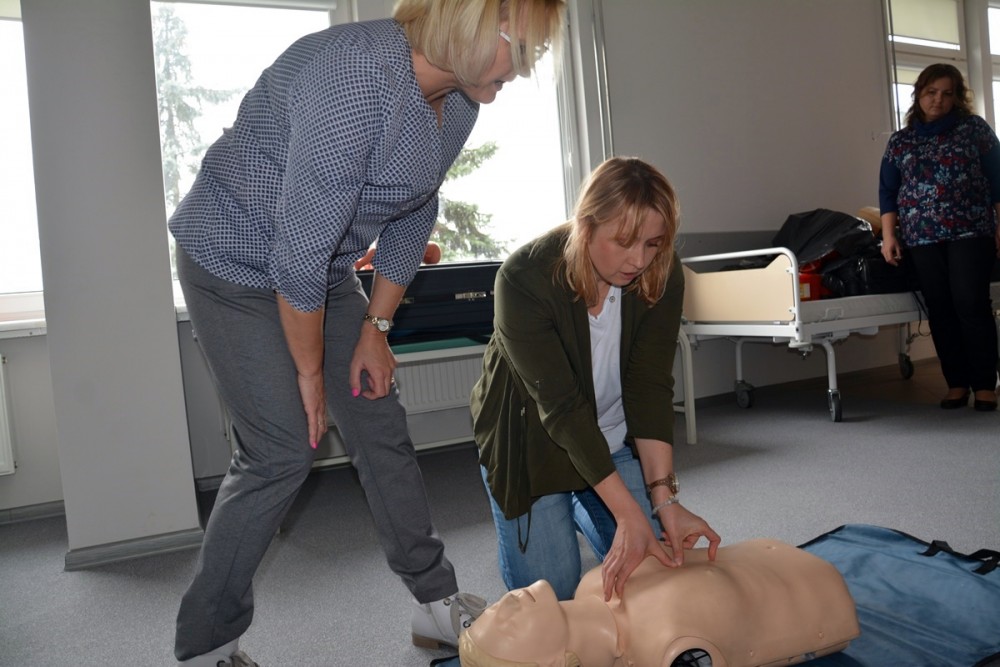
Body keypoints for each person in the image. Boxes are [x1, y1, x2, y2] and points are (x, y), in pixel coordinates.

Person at [168, 1, 566, 665]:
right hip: (233, 259)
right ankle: (207, 644)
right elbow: (295, 255)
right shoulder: (353, 76)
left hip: (318, 267)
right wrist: (308, 374)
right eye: (520, 48)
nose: (525, 69)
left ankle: (435, 605)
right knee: (281, 449)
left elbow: (415, 211)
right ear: (471, 23)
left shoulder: (458, 102)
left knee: (377, 418)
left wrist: (376, 327)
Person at [470, 157, 721, 604]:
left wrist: (664, 501)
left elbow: (649, 384)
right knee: (554, 597)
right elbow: (562, 410)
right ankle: (580, 501)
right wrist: (628, 513)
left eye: (652, 243)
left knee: (653, 573)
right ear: (586, 226)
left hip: (610, 435)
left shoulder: (661, 269)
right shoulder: (523, 278)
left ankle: (588, 501)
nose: (639, 260)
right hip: (534, 443)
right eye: (623, 242)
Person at [457, 539, 861, 667]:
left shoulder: (592, 585)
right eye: (506, 625)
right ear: (556, 663)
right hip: (813, 593)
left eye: (491, 609)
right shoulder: (662, 650)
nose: (505, 603)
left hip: (769, 559)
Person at [879, 63, 1000, 412]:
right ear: (919, 94)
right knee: (940, 308)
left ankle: (984, 384)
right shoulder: (901, 141)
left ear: (957, 97)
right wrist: (888, 236)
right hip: (921, 237)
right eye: (931, 92)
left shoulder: (974, 129)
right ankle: (956, 383)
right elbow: (888, 192)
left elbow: (998, 179)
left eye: (947, 93)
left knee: (970, 303)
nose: (938, 100)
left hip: (970, 230)